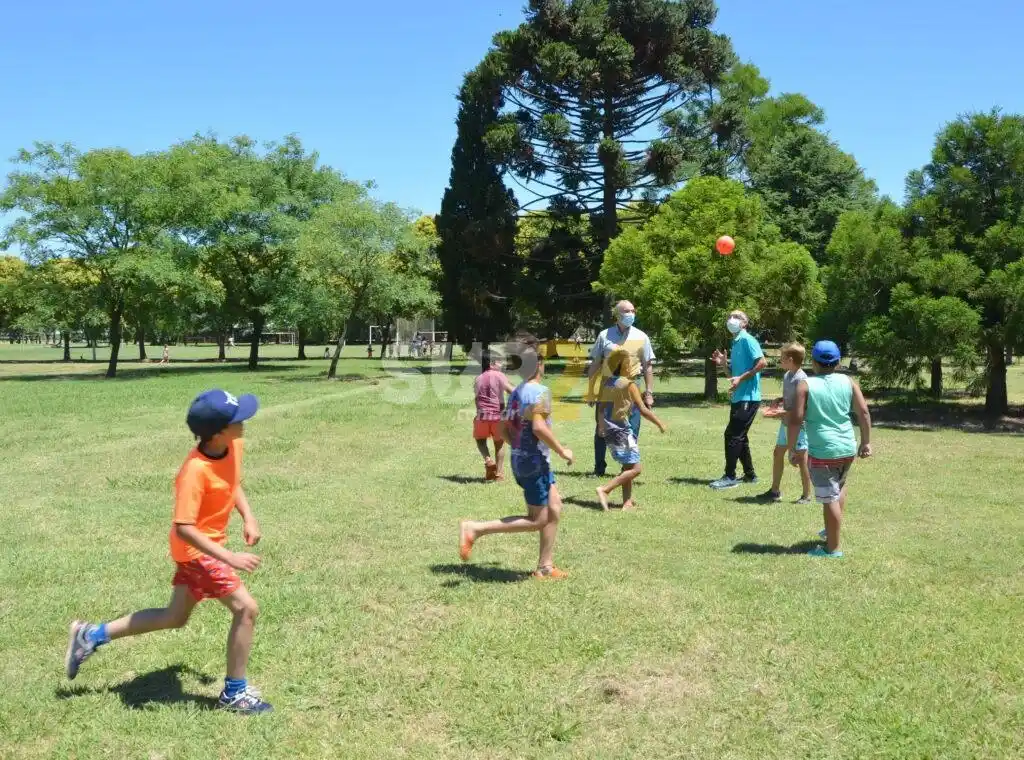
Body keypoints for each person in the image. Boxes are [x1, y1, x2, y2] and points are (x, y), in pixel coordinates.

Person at [64, 389, 273, 714]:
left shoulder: (232, 445)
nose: (244, 421)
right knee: (246, 609)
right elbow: (184, 527)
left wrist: (249, 516)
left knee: (174, 617)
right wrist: (229, 557)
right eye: (237, 419)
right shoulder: (194, 471)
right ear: (218, 432)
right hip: (197, 551)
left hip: (203, 549)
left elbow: (232, 481)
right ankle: (234, 693)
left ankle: (91, 635)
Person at [459, 333, 574, 579]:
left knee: (554, 507)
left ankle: (545, 567)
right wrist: (562, 450)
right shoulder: (540, 391)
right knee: (538, 519)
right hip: (535, 463)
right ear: (540, 363)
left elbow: (502, 428)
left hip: (523, 459)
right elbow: (539, 428)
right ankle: (475, 529)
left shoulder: (517, 392)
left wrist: (519, 446)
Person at [787, 341, 873, 558]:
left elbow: (796, 419)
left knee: (829, 498)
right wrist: (866, 442)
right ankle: (831, 529)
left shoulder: (805, 385)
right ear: (838, 362)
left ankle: (832, 548)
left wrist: (792, 448)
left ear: (814, 362)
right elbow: (863, 412)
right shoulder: (848, 381)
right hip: (847, 447)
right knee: (838, 487)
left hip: (823, 451)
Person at [590, 348, 667, 511]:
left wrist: (601, 426)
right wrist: (660, 423)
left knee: (628, 467)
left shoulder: (607, 383)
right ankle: (605, 489)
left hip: (610, 432)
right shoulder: (629, 385)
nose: (633, 366)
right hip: (622, 432)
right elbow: (643, 410)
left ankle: (627, 502)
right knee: (636, 469)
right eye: (630, 363)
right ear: (624, 366)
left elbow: (601, 408)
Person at [586, 301, 655, 477]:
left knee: (632, 428)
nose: (631, 314)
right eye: (626, 311)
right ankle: (599, 468)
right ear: (617, 314)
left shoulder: (642, 337)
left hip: (632, 386)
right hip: (608, 386)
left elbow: (647, 366)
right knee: (601, 427)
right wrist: (591, 391)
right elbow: (595, 364)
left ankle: (627, 468)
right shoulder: (604, 335)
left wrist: (649, 393)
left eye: (633, 311)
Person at [708, 311, 767, 490]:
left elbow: (762, 363)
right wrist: (723, 364)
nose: (731, 320)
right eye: (729, 317)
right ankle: (750, 475)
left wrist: (741, 378)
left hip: (749, 397)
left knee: (732, 435)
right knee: (740, 436)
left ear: (745, 323)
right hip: (739, 397)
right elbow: (732, 376)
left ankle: (730, 476)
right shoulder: (735, 342)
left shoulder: (748, 340)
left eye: (736, 317)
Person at [758, 343, 812, 504]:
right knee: (778, 453)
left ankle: (806, 495)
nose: (779, 360)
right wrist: (779, 400)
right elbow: (791, 398)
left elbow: (802, 406)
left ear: (790, 360)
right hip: (786, 423)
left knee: (801, 459)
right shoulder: (788, 375)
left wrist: (780, 413)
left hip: (799, 425)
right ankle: (774, 491)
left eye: (782, 358)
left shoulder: (802, 379)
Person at [473, 357, 516, 481]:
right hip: (497, 416)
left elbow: (476, 399)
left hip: (481, 416)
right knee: (499, 444)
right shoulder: (499, 375)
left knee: (480, 440)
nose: (501, 364)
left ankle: (488, 460)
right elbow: (513, 391)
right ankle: (498, 474)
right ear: (491, 364)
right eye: (499, 361)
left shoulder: (478, 378)